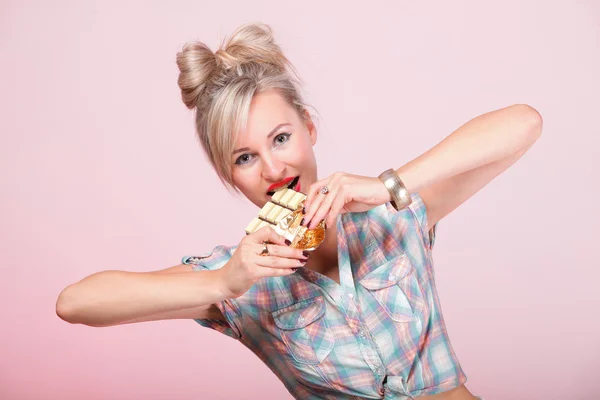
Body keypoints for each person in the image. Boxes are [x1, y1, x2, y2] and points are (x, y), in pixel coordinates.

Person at [56, 23, 542, 400]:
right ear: (230, 175)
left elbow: (523, 123)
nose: (273, 167)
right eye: (245, 158)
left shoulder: (392, 217)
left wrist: (387, 185)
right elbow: (75, 303)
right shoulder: (240, 282)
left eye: (281, 138)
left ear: (309, 128)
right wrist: (225, 282)